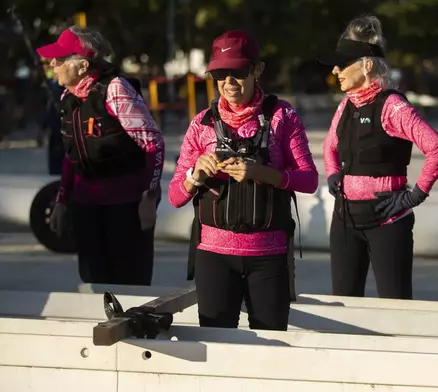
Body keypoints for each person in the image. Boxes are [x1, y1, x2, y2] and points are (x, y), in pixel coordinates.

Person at [168, 30, 318, 331]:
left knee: (272, 350)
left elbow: (309, 180)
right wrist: (194, 175)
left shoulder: (282, 117)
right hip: (213, 257)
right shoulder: (201, 124)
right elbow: (175, 197)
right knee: (216, 347)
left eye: (237, 72)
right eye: (220, 74)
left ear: (257, 70)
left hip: (268, 256)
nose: (228, 83)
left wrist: (263, 174)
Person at [319, 15, 438, 300]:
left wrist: (415, 195)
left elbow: (437, 148)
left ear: (366, 65)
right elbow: (329, 147)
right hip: (345, 219)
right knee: (343, 304)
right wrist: (332, 174)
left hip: (387, 221)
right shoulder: (345, 106)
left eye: (343, 63)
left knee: (395, 306)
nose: (336, 70)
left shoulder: (393, 106)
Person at [40, 26, 165, 285]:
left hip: (125, 207)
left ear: (83, 65)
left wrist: (149, 198)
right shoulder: (68, 96)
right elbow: (71, 154)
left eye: (61, 59)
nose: (53, 63)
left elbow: (154, 144)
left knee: (129, 287)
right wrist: (62, 200)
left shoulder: (115, 90)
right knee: (93, 283)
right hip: (87, 206)